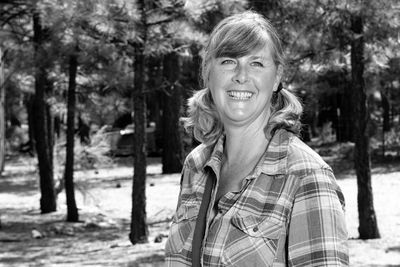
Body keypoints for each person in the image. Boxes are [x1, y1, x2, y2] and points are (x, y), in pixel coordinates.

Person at [165, 10, 348, 266]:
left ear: (277, 77)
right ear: (208, 71)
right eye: (228, 61)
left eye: (257, 63)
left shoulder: (306, 176)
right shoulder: (196, 165)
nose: (241, 75)